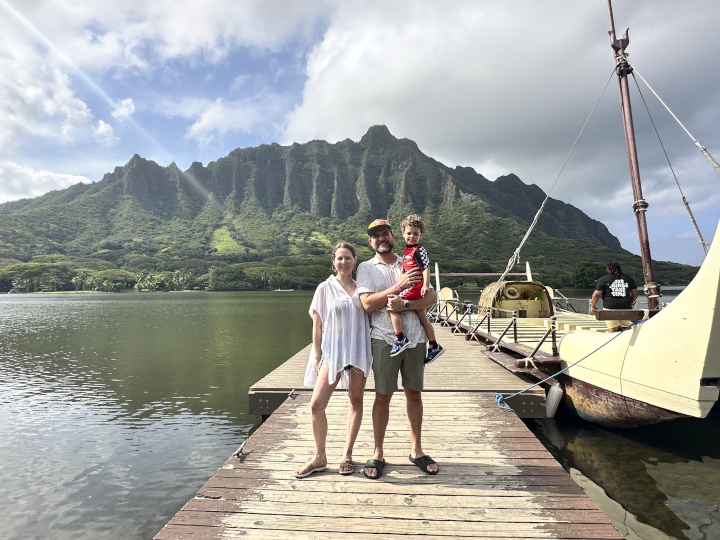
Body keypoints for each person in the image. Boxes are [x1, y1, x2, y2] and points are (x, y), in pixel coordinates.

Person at [356, 219, 439, 480]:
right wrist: (399, 286)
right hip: (383, 338)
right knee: (383, 395)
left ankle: (417, 450)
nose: (381, 238)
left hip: (415, 337)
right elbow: (368, 304)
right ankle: (378, 452)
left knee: (414, 394)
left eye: (385, 233)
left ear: (394, 236)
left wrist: (405, 305)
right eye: (376, 236)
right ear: (370, 241)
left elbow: (431, 297)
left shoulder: (410, 258)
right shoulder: (366, 268)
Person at [294, 241, 373, 478]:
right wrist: (317, 355)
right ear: (334, 261)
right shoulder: (325, 288)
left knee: (355, 401)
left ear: (355, 260)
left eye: (348, 258)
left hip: (358, 350)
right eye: (340, 258)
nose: (344, 262)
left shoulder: (363, 289)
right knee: (316, 405)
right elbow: (317, 325)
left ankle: (347, 454)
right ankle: (320, 456)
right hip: (333, 352)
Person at [388, 214, 444, 363]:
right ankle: (434, 345)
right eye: (409, 233)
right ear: (403, 233)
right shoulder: (407, 249)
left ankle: (400, 338)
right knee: (423, 317)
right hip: (412, 286)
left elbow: (425, 267)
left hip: (415, 287)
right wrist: (401, 277)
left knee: (392, 306)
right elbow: (405, 267)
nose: (411, 236)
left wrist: (425, 285)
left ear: (421, 235)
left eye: (415, 234)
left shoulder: (419, 250)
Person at [590, 262, 638, 332]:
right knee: (626, 328)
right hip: (625, 307)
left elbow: (596, 294)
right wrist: (631, 303)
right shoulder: (628, 278)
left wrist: (592, 306)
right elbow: (635, 292)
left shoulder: (603, 279)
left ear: (608, 269)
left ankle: (612, 338)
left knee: (613, 328)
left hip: (610, 307)